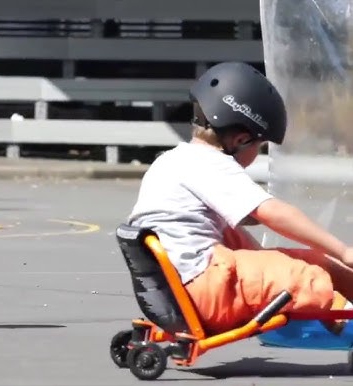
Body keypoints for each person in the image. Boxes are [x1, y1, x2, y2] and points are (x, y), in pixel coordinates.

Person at [127, 61, 353, 335]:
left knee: (311, 260)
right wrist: (343, 251)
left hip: (178, 289)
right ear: (241, 140)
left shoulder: (171, 161)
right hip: (207, 289)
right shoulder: (211, 164)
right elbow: (272, 213)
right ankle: (344, 322)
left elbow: (240, 222)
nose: (258, 153)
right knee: (307, 276)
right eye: (260, 145)